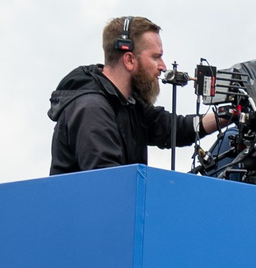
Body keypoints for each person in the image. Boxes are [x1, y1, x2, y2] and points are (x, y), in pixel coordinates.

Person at [47, 16, 222, 174]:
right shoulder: (91, 109)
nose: (162, 66)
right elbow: (109, 183)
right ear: (129, 60)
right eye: (156, 57)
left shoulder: (128, 103)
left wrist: (225, 116)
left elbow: (170, 128)